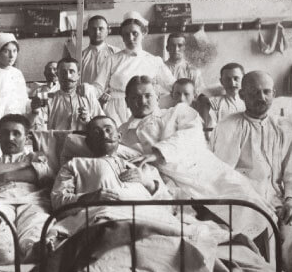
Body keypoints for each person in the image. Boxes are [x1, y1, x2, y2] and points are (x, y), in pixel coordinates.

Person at [118, 75, 276, 240]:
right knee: (191, 222)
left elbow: (191, 134)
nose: (142, 101)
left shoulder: (178, 112)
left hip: (203, 171)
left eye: (147, 95)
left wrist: (157, 153)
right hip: (170, 184)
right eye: (135, 97)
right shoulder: (121, 133)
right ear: (127, 101)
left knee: (246, 201)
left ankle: (263, 252)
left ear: (156, 97)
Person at [210, 71, 292, 272]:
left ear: (274, 93)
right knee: (264, 230)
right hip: (243, 201)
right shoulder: (228, 126)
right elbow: (222, 174)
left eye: (266, 92)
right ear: (242, 95)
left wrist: (291, 198)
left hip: (277, 198)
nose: (261, 97)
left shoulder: (285, 128)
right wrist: (253, 199)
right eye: (255, 92)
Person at [0, 114, 53, 264]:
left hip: (33, 201)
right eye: (5, 133)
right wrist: (23, 165)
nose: (10, 138)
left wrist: (4, 177)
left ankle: (32, 254)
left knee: (36, 229)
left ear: (27, 137)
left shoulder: (38, 157)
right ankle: (6, 263)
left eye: (16, 133)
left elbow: (42, 174)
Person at [91, 11, 175, 126]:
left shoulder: (154, 61)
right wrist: (86, 90)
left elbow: (173, 86)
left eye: (135, 33)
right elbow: (98, 88)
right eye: (126, 34)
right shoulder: (112, 60)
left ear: (144, 33)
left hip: (146, 110)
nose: (130, 38)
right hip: (116, 111)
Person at [30, 57, 104, 131]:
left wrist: (89, 120)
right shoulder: (47, 98)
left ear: (78, 75)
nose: (68, 76)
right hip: (56, 141)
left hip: (83, 141)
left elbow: (103, 124)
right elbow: (39, 128)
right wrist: (35, 112)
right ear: (57, 75)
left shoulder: (87, 95)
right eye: (63, 72)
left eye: (72, 71)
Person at [81, 15, 120, 84]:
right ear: (88, 31)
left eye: (101, 28)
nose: (97, 32)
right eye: (93, 29)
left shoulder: (116, 53)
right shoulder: (81, 56)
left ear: (108, 31)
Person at [206, 63, 246, 127]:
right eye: (227, 79)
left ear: (244, 79)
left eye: (236, 78)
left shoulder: (251, 101)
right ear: (221, 81)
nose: (232, 83)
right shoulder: (214, 102)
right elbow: (211, 129)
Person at [29, 61, 60, 130]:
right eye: (49, 70)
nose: (51, 72)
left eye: (55, 69)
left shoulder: (63, 90)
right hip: (39, 127)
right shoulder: (36, 90)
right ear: (45, 73)